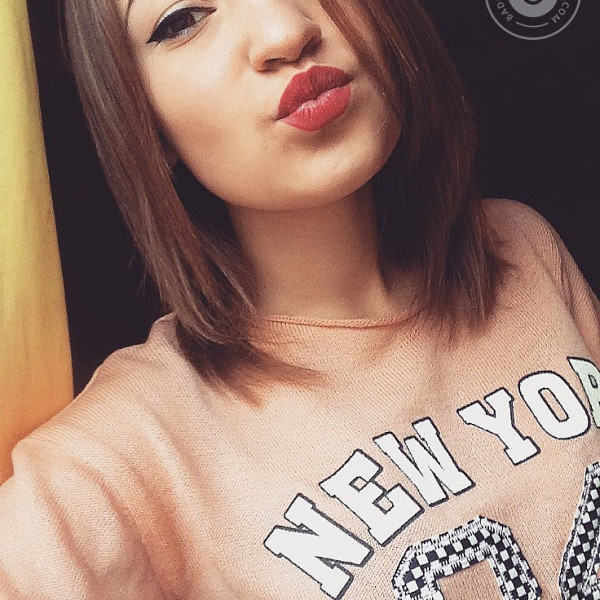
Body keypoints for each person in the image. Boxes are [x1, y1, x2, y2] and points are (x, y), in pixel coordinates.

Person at [1, 0, 599, 597]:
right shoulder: (119, 459)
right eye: (183, 19)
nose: (286, 31)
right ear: (141, 122)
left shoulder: (523, 251)